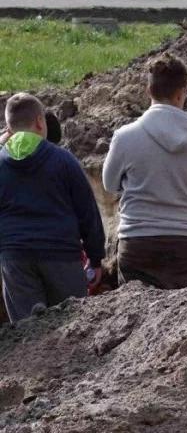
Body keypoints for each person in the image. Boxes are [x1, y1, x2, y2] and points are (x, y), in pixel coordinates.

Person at [102, 53, 187, 291]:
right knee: (181, 319)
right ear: (182, 92)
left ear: (149, 91)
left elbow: (109, 184)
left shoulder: (125, 137)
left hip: (137, 241)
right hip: (182, 241)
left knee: (137, 320)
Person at [0, 94, 105, 322]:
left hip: (16, 260)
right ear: (40, 121)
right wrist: (95, 258)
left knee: (26, 335)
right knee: (72, 329)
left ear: (8, 127)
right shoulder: (63, 160)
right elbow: (88, 213)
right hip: (62, 257)